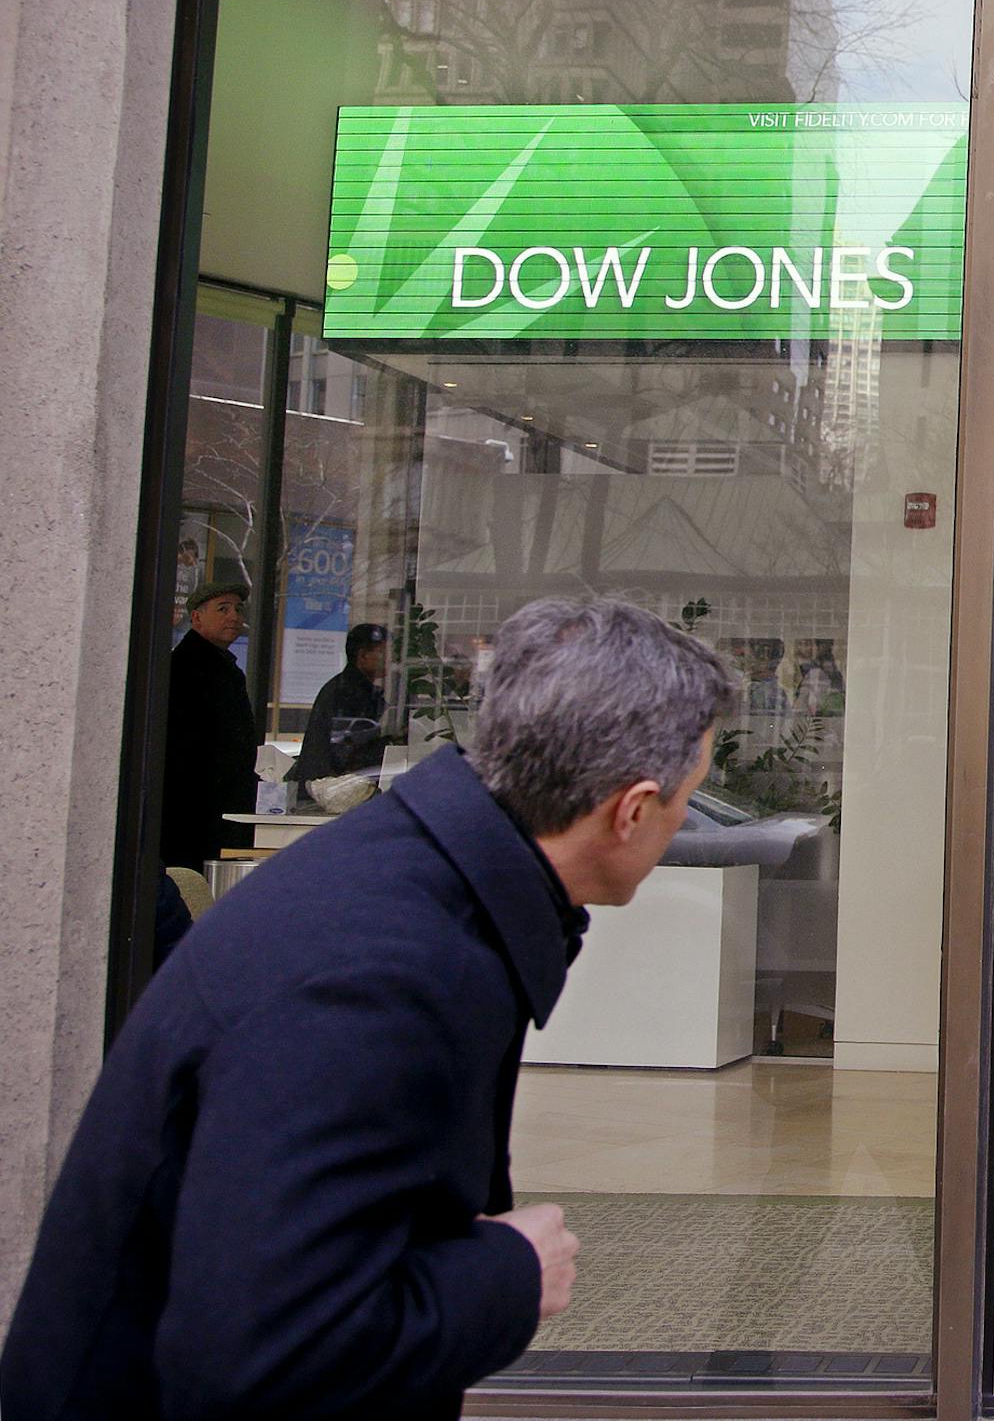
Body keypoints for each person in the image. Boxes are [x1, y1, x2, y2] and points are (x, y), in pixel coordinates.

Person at [0, 597, 732, 1421]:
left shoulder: (408, 888)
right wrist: (506, 1275)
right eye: (683, 799)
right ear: (631, 810)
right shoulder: (380, 971)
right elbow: (265, 1352)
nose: (676, 826)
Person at [163, 578, 259, 872]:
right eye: (223, 609)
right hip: (195, 814)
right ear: (197, 618)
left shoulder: (221, 666)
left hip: (218, 810)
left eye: (238, 609)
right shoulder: (187, 669)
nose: (234, 617)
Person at [286, 620, 393, 795]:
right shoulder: (349, 691)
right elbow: (347, 751)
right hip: (330, 790)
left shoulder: (351, 687)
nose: (389, 660)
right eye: (382, 652)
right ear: (363, 655)